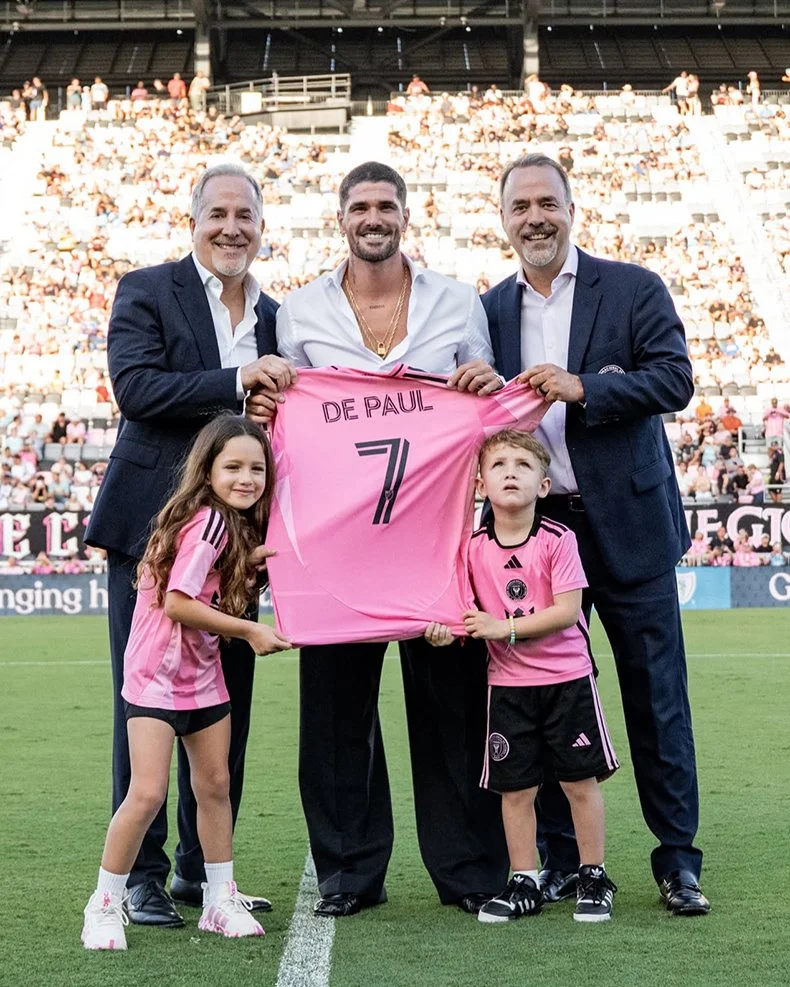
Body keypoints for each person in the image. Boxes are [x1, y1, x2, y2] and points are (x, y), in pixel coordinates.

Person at [275, 161, 509, 918]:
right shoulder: (301, 311)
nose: (373, 216)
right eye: (359, 206)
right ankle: (347, 871)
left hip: (436, 546)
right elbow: (293, 423)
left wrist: (480, 379)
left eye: (386, 205)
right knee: (337, 714)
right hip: (340, 551)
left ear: (406, 215)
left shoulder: (456, 300)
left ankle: (470, 868)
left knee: (453, 709)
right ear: (340, 218)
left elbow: (483, 396)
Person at [482, 153, 710, 916]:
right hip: (533, 534)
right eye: (522, 206)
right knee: (543, 697)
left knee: (656, 697)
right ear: (504, 219)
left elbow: (675, 379)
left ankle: (678, 860)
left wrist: (587, 388)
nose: (536, 217)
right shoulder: (486, 310)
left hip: (631, 528)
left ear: (571, 208)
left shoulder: (634, 287)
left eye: (548, 201)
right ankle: (554, 860)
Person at [85, 163, 294, 928]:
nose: (232, 228)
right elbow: (136, 388)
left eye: (246, 215)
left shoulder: (279, 314)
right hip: (149, 534)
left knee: (222, 703)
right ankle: (137, 876)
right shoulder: (147, 289)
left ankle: (207, 874)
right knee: (141, 702)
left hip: (238, 546)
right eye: (219, 214)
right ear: (194, 220)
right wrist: (240, 379)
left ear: (261, 227)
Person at [81, 415, 292, 950]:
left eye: (257, 469)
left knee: (214, 786)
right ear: (208, 469)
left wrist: (255, 562)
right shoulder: (209, 523)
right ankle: (104, 903)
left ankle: (220, 899)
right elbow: (178, 602)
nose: (247, 478)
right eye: (234, 467)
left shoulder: (229, 525)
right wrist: (250, 631)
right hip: (156, 677)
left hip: (202, 676)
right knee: (147, 792)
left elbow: (216, 579)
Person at [425, 431, 618, 924]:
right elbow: (463, 611)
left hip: (567, 681)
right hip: (508, 688)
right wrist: (446, 632)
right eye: (499, 465)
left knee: (579, 782)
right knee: (516, 791)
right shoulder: (470, 549)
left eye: (523, 465)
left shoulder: (559, 540)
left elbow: (567, 611)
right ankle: (523, 879)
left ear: (546, 484)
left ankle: (593, 874)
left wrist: (503, 627)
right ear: (480, 484)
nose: (511, 472)